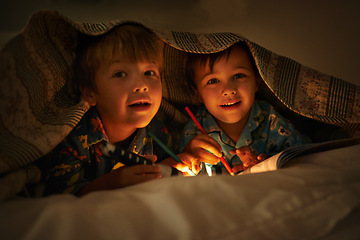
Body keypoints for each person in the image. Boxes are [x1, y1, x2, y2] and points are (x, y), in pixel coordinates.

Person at [43, 23, 199, 196]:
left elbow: (162, 170)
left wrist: (176, 163)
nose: (142, 86)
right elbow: (61, 196)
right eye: (120, 74)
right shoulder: (73, 140)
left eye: (149, 73)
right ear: (90, 92)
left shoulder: (158, 132)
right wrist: (113, 182)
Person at [179, 42, 310, 176]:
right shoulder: (194, 132)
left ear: (256, 82)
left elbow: (306, 156)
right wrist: (189, 158)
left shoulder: (270, 120)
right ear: (197, 94)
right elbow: (182, 177)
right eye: (213, 81)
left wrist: (264, 164)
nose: (229, 90)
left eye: (238, 75)